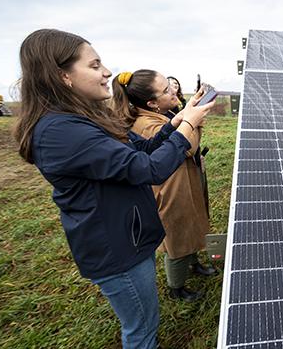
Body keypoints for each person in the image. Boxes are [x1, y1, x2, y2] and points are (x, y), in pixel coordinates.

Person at [12, 29, 214, 348]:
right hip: (117, 249)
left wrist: (174, 125)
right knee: (142, 328)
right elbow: (149, 169)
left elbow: (140, 151)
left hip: (129, 236)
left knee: (145, 322)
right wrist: (188, 126)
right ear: (62, 75)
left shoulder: (82, 119)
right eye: (94, 65)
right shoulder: (62, 131)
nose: (106, 72)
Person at [112, 70, 216, 302]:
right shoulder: (147, 123)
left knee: (192, 227)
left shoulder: (159, 114)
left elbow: (178, 130)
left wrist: (190, 112)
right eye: (166, 90)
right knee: (178, 237)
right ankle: (176, 286)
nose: (173, 91)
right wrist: (195, 124)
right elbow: (186, 146)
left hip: (183, 182)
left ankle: (193, 264)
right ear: (151, 102)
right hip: (172, 190)